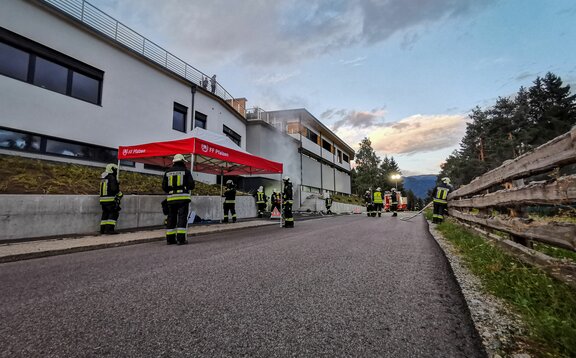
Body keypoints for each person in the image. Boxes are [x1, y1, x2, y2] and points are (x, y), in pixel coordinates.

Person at [162, 154, 195, 245]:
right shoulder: (186, 171)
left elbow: (164, 187)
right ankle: (181, 239)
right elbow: (191, 185)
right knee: (182, 218)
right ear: (182, 161)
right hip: (183, 199)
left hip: (171, 199)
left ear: (174, 162)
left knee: (171, 218)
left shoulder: (167, 172)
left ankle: (170, 239)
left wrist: (172, 190)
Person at [99, 163, 122, 235]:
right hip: (110, 200)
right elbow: (114, 189)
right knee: (114, 213)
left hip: (103, 200)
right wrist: (120, 194)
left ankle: (102, 230)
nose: (116, 172)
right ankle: (109, 230)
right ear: (112, 169)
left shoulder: (104, 178)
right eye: (115, 170)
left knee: (105, 214)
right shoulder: (112, 177)